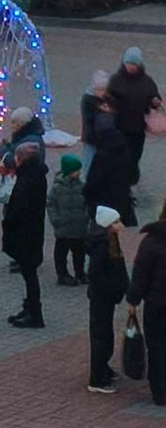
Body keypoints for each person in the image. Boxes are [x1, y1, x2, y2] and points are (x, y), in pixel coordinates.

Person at [2, 140, 49, 329]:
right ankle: (29, 307)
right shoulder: (36, 174)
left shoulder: (27, 179)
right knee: (28, 273)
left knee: (29, 274)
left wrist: (8, 222)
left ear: (21, 159)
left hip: (26, 234)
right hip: (32, 232)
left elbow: (19, 208)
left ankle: (35, 313)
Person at [0, 106, 46, 272]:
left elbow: (14, 160)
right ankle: (21, 256)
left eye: (15, 123)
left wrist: (3, 151)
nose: (12, 126)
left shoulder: (31, 141)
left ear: (23, 124)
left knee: (22, 224)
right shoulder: (29, 136)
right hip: (24, 185)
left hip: (24, 187)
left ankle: (25, 257)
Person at [126, 200, 166, 407]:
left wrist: (133, 300)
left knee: (157, 346)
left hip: (157, 304)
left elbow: (141, 275)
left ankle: (160, 391)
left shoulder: (152, 241)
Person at [85, 206, 129, 394]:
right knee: (100, 336)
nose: (120, 225)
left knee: (105, 333)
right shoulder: (103, 245)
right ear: (108, 225)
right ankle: (97, 379)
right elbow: (95, 273)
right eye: (116, 222)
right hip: (102, 297)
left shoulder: (110, 241)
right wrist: (112, 287)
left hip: (106, 297)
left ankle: (103, 367)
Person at [106, 47, 162, 185]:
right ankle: (123, 183)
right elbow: (107, 98)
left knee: (134, 156)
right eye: (128, 64)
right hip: (119, 126)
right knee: (122, 156)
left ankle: (131, 180)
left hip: (137, 128)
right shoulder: (116, 80)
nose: (130, 67)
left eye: (133, 64)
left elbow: (154, 98)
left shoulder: (147, 81)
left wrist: (155, 102)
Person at [84, 96, 137, 227]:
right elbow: (132, 172)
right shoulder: (124, 149)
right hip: (121, 196)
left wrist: (86, 193)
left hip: (104, 200)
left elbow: (93, 179)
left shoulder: (102, 154)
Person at [46, 154, 88, 286]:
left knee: (79, 252)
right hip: (63, 226)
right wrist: (56, 220)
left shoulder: (81, 186)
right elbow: (51, 204)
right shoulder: (57, 188)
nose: (78, 173)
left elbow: (87, 203)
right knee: (61, 252)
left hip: (79, 225)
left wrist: (86, 216)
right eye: (76, 170)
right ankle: (62, 274)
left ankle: (80, 272)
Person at [79, 70, 110, 177]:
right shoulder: (89, 100)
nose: (102, 93)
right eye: (100, 90)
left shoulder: (104, 98)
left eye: (104, 90)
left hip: (102, 137)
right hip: (91, 137)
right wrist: (104, 111)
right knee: (89, 160)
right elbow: (91, 118)